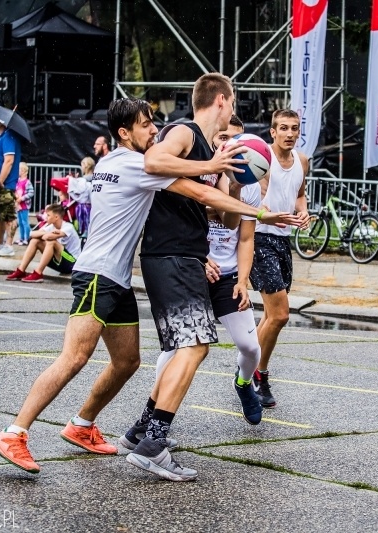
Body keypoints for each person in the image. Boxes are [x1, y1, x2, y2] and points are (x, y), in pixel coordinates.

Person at [0, 96, 293, 475]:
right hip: (97, 275)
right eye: (146, 125)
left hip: (117, 278)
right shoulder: (137, 165)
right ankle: (14, 432)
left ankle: (82, 425)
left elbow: (203, 202)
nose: (154, 131)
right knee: (74, 357)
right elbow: (199, 192)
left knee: (128, 361)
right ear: (124, 132)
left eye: (153, 124)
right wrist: (256, 206)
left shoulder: (109, 162)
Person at [122, 74, 301, 482]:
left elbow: (218, 206)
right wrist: (212, 165)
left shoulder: (207, 152)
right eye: (233, 101)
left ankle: (142, 433)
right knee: (196, 346)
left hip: (187, 256)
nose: (234, 109)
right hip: (170, 255)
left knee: (191, 346)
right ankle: (154, 442)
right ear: (221, 100)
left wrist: (247, 197)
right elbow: (154, 161)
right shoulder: (183, 132)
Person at [142, 114, 264, 428]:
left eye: (236, 141)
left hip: (226, 274)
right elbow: (193, 196)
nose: (229, 146)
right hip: (191, 266)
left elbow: (239, 230)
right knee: (179, 348)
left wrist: (244, 280)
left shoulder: (243, 183)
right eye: (224, 139)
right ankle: (153, 417)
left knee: (251, 347)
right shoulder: (197, 167)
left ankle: (242, 382)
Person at [248, 109, 311, 408]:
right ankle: (257, 375)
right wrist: (268, 213)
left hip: (283, 241)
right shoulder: (263, 160)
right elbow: (255, 200)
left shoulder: (301, 160)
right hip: (260, 238)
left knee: (271, 317)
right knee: (281, 314)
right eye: (283, 128)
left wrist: (303, 210)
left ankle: (245, 370)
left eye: (294, 129)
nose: (289, 133)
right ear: (272, 132)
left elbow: (300, 193)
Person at [5, 203, 81, 283]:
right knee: (35, 241)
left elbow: (49, 237)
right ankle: (21, 270)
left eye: (48, 215)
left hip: (72, 263)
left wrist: (47, 235)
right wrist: (47, 233)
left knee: (52, 242)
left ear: (56, 217)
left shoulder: (68, 227)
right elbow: (31, 234)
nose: (46, 217)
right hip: (59, 261)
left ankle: (38, 273)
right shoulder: (51, 226)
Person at [0, 118, 22, 257]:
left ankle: (9, 245)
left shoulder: (8, 137)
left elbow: (9, 160)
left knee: (8, 215)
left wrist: (1, 179)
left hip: (5, 184)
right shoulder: (1, 137)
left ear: (1, 122)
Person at [14, 162, 34, 246]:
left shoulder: (27, 182)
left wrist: (22, 198)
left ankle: (27, 238)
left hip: (24, 205)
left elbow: (31, 192)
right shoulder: (17, 181)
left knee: (25, 222)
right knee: (20, 222)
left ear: (23, 171)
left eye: (18, 169)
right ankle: (21, 238)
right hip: (18, 205)